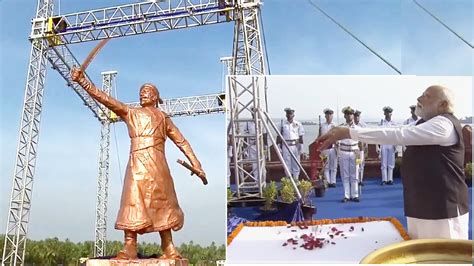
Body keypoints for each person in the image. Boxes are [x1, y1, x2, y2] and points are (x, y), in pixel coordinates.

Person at [71, 68, 206, 259]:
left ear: (156, 97)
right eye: (141, 91)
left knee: (164, 203)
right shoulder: (130, 113)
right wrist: (82, 81)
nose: (143, 93)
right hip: (137, 163)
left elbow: (181, 141)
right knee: (132, 200)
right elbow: (104, 98)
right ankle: (129, 246)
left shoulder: (163, 118)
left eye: (148, 91)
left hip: (158, 164)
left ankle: (168, 247)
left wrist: (196, 163)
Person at [316, 85, 469, 240]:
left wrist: (349, 132)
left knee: (443, 258)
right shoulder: (423, 122)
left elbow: (399, 134)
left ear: (442, 105)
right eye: (422, 94)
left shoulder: (444, 124)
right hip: (421, 205)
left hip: (443, 210)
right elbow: (398, 128)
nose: (419, 98)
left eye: (427, 96)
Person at [336, 106, 360, 202]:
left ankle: (355, 194)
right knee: (345, 175)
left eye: (351, 114)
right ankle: (346, 195)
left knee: (355, 174)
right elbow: (336, 141)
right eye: (347, 114)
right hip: (344, 151)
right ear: (345, 116)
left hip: (355, 151)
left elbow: (361, 143)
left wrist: (360, 156)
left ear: (353, 116)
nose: (349, 116)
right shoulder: (341, 127)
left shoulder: (357, 128)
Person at [277, 107, 304, 179]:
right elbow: (278, 137)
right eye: (288, 113)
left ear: (293, 115)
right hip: (286, 145)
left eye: (290, 113)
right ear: (286, 115)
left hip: (295, 145)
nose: (289, 115)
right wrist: (278, 146)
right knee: (287, 163)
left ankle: (296, 180)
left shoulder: (298, 124)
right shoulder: (282, 124)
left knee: (296, 163)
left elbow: (301, 137)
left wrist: (301, 148)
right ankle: (288, 180)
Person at [318, 108, 338, 187]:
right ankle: (327, 181)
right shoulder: (322, 126)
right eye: (327, 114)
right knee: (326, 165)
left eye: (330, 114)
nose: (329, 116)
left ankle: (333, 181)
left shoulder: (335, 125)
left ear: (332, 115)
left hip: (333, 147)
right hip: (325, 147)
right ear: (325, 116)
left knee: (334, 165)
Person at [378, 106, 396, 185]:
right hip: (384, 143)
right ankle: (384, 179)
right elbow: (379, 134)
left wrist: (395, 145)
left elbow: (396, 134)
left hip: (391, 143)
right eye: (386, 112)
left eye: (389, 112)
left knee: (391, 162)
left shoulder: (394, 123)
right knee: (384, 163)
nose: (388, 114)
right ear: (384, 113)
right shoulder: (382, 122)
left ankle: (390, 179)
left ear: (391, 113)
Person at [354, 110, 367, 186]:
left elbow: (366, 137)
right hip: (355, 149)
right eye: (355, 116)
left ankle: (360, 180)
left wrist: (366, 147)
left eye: (358, 116)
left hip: (361, 148)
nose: (357, 118)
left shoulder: (363, 126)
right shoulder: (352, 126)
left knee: (361, 165)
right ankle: (357, 180)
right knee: (357, 165)